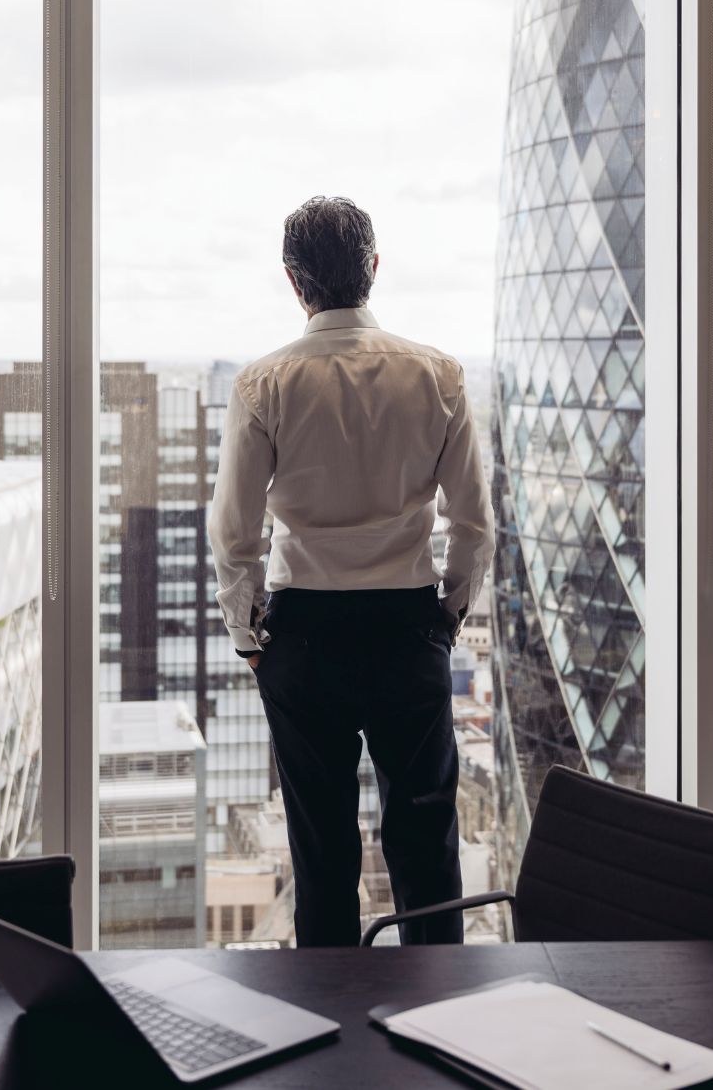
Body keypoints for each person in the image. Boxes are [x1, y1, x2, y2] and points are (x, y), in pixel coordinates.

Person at [208, 195, 495, 947]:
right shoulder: (439, 375)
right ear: (373, 267)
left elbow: (234, 532)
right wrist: (449, 619)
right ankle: (441, 1015)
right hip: (408, 625)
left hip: (304, 634)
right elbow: (473, 524)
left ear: (293, 281)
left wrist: (249, 636)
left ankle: (329, 1030)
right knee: (427, 837)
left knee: (322, 846)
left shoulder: (262, 384)